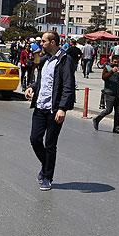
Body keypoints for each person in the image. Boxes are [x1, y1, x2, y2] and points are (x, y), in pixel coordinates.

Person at [24, 31, 76, 192]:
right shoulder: (45, 60)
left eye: (44, 41)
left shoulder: (64, 60)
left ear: (53, 42)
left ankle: (47, 177)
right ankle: (46, 164)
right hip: (40, 106)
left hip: (54, 109)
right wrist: (32, 87)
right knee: (35, 139)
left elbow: (68, 85)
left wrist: (62, 108)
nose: (41, 44)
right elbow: (42, 80)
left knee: (50, 144)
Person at [93, 54, 119, 134]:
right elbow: (104, 77)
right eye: (115, 62)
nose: (116, 64)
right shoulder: (107, 67)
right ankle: (97, 119)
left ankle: (116, 127)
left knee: (118, 111)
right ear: (112, 61)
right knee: (108, 110)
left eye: (118, 62)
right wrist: (112, 71)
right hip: (109, 92)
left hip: (117, 93)